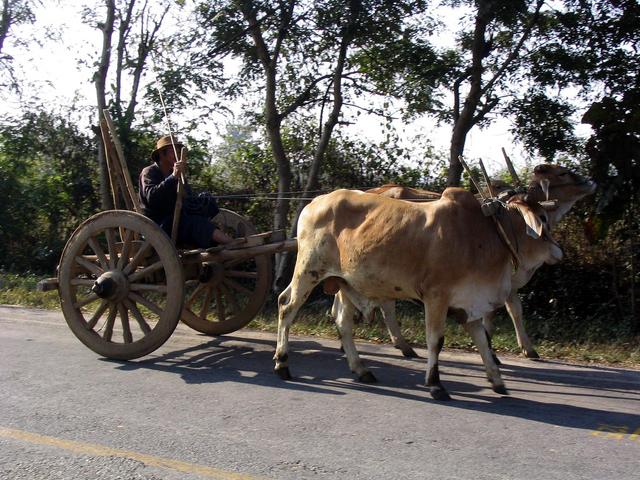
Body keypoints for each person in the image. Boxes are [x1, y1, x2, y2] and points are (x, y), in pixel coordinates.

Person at [138, 135, 233, 247]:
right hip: (159, 225)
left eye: (178, 151)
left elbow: (187, 197)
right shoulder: (149, 172)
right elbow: (152, 197)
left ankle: (218, 243)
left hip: (178, 220)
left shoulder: (178, 173)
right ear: (161, 154)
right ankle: (229, 242)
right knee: (194, 222)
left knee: (205, 202)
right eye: (173, 151)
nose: (177, 155)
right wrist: (173, 177)